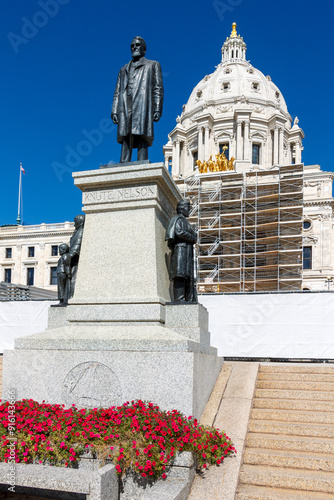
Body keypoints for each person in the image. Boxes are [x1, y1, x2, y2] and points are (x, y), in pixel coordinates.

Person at [111, 36, 164, 163]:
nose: (134, 47)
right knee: (126, 135)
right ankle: (123, 162)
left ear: (144, 50)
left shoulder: (153, 65)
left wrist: (157, 108)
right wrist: (114, 110)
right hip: (125, 104)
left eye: (138, 45)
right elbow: (117, 91)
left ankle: (142, 162)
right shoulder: (123, 69)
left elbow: (158, 88)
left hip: (142, 103)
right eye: (132, 46)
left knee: (141, 135)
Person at [165, 200, 197, 302]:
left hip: (187, 252)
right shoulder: (177, 219)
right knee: (180, 275)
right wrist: (192, 237)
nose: (189, 211)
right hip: (180, 251)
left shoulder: (185, 221)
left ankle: (187, 298)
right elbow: (178, 232)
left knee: (187, 276)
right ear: (182, 209)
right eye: (188, 209)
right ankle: (179, 299)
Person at [68, 214, 85, 299]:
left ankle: (71, 297)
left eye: (76, 222)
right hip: (73, 260)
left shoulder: (80, 231)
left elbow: (77, 244)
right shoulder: (77, 232)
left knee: (73, 279)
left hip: (75, 261)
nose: (74, 225)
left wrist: (69, 256)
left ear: (80, 222)